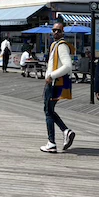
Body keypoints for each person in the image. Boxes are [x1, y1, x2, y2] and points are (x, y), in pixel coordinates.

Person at [40, 22, 76, 153]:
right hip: (53, 83)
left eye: (58, 30)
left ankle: (51, 142)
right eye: (54, 30)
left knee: (48, 111)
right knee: (48, 110)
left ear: (63, 32)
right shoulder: (55, 45)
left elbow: (68, 66)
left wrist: (52, 76)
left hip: (55, 83)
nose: (55, 32)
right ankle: (66, 131)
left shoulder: (61, 46)